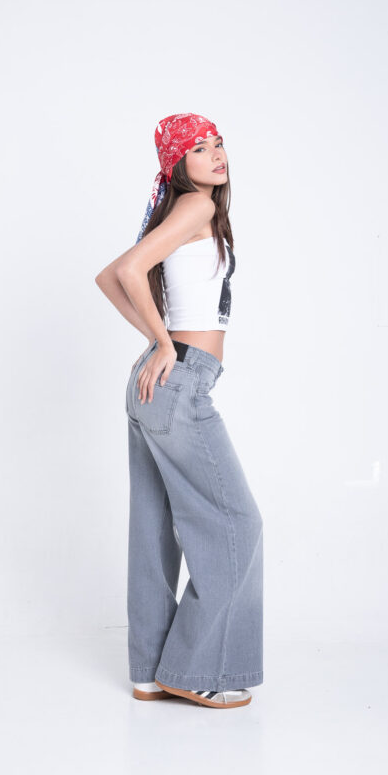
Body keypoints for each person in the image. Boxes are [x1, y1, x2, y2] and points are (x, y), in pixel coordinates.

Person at [95, 113, 263, 709]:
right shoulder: (196, 206)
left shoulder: (190, 210)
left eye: (218, 143)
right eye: (198, 148)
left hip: (160, 381)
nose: (216, 154)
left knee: (154, 528)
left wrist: (157, 343)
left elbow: (110, 276)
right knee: (237, 523)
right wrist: (164, 343)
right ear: (177, 165)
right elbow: (123, 274)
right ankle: (195, 669)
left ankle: (150, 670)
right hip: (180, 380)